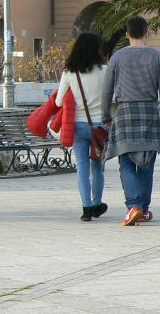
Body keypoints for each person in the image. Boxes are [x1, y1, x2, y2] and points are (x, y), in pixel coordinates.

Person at [101, 16, 160, 226]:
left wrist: (106, 116)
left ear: (127, 33)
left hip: (124, 112)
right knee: (147, 164)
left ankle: (133, 205)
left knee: (125, 160)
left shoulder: (117, 57)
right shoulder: (157, 57)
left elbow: (106, 89)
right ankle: (142, 207)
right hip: (149, 112)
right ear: (146, 32)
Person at [56, 32, 108, 222]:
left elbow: (59, 101)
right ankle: (97, 204)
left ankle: (85, 208)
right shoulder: (104, 70)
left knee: (82, 167)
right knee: (97, 166)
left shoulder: (70, 72)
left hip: (77, 125)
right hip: (100, 127)